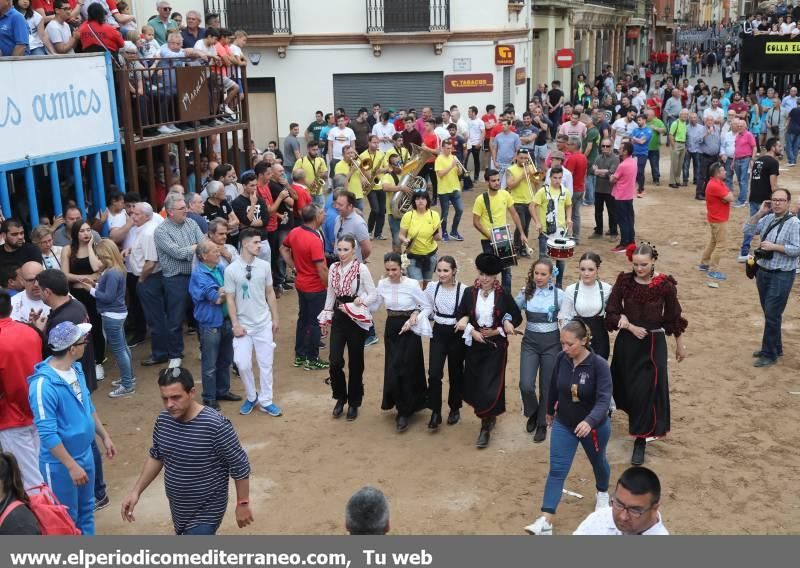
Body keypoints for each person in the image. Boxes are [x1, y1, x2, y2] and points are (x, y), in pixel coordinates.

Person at [120, 367, 253, 535]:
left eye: (176, 397)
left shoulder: (215, 425)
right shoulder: (163, 420)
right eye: (165, 398)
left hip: (207, 511)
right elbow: (157, 456)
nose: (170, 404)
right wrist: (136, 492)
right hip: (179, 510)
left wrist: (243, 503)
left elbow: (240, 466)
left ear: (192, 393)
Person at [524, 320, 612, 536]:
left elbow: (603, 400)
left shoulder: (599, 365)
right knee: (557, 470)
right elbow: (554, 386)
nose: (564, 349)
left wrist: (589, 421)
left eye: (569, 344)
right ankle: (546, 519)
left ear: (584, 341)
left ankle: (602, 493)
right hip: (564, 423)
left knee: (598, 462)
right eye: (562, 343)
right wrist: (549, 412)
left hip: (593, 428)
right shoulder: (561, 359)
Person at [28, 321, 116, 535]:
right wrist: (70, 465)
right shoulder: (42, 386)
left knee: (86, 512)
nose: (86, 343)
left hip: (84, 454)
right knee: (66, 520)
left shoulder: (76, 370)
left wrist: (104, 436)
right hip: (60, 465)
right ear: (72, 349)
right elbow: (47, 433)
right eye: (82, 341)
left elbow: (88, 406)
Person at [606, 244, 687, 465]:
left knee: (647, 390)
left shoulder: (665, 286)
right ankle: (614, 417)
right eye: (636, 264)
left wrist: (680, 344)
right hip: (627, 343)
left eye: (644, 264)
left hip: (653, 343)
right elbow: (611, 311)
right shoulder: (624, 282)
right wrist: (624, 322)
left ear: (653, 261)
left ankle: (640, 439)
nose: (639, 268)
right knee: (626, 385)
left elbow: (673, 317)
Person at [455, 253, 522, 448]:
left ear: (496, 277)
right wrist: (471, 330)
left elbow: (516, 317)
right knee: (476, 383)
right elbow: (461, 314)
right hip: (475, 345)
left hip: (495, 347)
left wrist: (500, 328)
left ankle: (485, 426)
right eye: (482, 273)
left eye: (489, 275)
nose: (484, 278)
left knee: (490, 384)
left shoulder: (503, 295)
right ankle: (489, 415)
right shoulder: (469, 293)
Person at [318, 235, 377, 421]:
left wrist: (362, 300)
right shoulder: (334, 268)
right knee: (334, 361)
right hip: (339, 316)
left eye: (345, 250)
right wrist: (326, 316)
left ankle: (354, 402)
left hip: (356, 317)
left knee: (355, 363)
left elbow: (373, 294)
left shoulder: (361, 269)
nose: (342, 253)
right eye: (339, 249)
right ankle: (340, 397)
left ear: (354, 250)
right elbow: (330, 293)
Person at [224, 229, 282, 417]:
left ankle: (266, 400)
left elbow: (270, 292)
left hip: (263, 322)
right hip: (243, 326)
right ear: (245, 244)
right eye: (256, 242)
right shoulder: (231, 269)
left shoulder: (264, 266)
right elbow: (230, 298)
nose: (260, 245)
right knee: (242, 364)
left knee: (266, 364)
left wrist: (275, 318)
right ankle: (251, 396)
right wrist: (235, 324)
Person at [743, 189, 800, 368]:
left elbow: (797, 249)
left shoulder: (794, 223)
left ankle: (769, 353)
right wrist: (760, 212)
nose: (777, 203)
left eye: (781, 200)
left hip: (782, 273)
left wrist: (775, 247)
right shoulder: (767, 218)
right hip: (763, 271)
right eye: (774, 200)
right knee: (771, 314)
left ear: (788, 203)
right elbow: (747, 229)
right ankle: (776, 347)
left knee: (772, 314)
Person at [374, 253, 430, 432]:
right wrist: (358, 303)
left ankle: (405, 411)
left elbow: (426, 306)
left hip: (409, 329)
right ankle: (400, 405)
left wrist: (415, 315)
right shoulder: (382, 284)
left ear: (401, 268)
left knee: (407, 367)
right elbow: (375, 305)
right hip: (392, 328)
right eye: (388, 270)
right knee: (393, 366)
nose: (391, 273)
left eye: (394, 269)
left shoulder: (412, 284)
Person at [0, 290, 44, 492]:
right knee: (41, 470)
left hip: (10, 418)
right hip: (38, 411)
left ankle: (46, 521)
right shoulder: (30, 331)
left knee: (30, 482)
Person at [154, 193, 205, 369]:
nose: (186, 210)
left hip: (196, 276)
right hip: (175, 280)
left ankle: (204, 348)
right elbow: (177, 253)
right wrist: (194, 248)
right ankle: (175, 354)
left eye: (185, 207)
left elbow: (203, 245)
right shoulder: (161, 231)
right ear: (170, 212)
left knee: (200, 314)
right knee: (175, 319)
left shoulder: (191, 223)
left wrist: (194, 248)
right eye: (182, 208)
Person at [189, 240, 241, 410]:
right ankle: (210, 397)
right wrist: (226, 290)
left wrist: (224, 290)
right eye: (214, 251)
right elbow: (216, 298)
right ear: (204, 256)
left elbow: (225, 291)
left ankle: (222, 391)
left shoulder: (219, 268)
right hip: (210, 323)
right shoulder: (199, 275)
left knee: (225, 359)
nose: (218, 253)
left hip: (225, 320)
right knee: (210, 364)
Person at [516, 258, 562, 443]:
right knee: (525, 384)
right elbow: (510, 311)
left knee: (547, 385)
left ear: (551, 276)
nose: (539, 277)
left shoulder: (560, 295)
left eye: (543, 274)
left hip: (553, 344)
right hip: (530, 343)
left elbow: (568, 317)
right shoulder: (526, 293)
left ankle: (542, 422)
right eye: (536, 273)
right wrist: (506, 321)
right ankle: (533, 412)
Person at [280, 204, 330, 371]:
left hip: (301, 284)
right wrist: (329, 286)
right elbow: (321, 268)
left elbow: (283, 248)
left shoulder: (295, 232)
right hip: (315, 287)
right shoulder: (314, 239)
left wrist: (295, 267)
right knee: (315, 322)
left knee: (303, 320)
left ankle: (300, 356)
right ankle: (312, 358)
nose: (324, 215)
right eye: (322, 213)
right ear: (316, 218)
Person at [420, 256, 466, 428]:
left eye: (446, 270)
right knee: (434, 373)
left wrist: (464, 320)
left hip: (456, 333)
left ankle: (454, 407)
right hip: (438, 331)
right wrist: (416, 317)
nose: (442, 273)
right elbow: (426, 306)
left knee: (456, 373)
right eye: (439, 270)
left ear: (454, 271)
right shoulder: (432, 288)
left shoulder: (463, 290)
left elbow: (469, 311)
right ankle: (435, 411)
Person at [60, 219, 105, 381]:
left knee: (96, 327)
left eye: (88, 230)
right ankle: (77, 362)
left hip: (93, 294)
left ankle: (98, 361)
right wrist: (84, 278)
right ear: (75, 234)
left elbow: (98, 271)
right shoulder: (67, 249)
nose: (86, 233)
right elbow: (64, 274)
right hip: (75, 295)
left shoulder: (96, 248)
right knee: (77, 329)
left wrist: (91, 248)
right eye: (82, 231)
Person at [90, 240, 135, 398]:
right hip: (117, 314)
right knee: (123, 347)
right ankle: (129, 378)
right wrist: (95, 286)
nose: (98, 259)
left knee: (119, 350)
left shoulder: (112, 272)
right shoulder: (116, 269)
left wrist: (90, 290)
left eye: (99, 256)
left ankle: (127, 384)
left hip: (112, 315)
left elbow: (107, 297)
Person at [472, 169, 528, 294]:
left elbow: (514, 214)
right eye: (493, 181)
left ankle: (505, 297)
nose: (497, 183)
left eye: (498, 180)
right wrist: (491, 237)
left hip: (503, 237)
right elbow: (476, 222)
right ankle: (489, 295)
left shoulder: (505, 195)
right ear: (487, 182)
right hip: (488, 240)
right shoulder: (481, 199)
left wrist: (522, 233)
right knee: (489, 271)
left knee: (507, 271)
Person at [574, 466, 668, 535]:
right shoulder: (599, 519)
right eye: (619, 504)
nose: (623, 517)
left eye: (634, 510)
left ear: (654, 508)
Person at [560, 252, 613, 359]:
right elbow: (564, 317)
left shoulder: (606, 289)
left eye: (590, 269)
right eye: (583, 269)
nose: (586, 273)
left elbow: (614, 311)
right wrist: (568, 340)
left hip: (600, 338)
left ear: (597, 269)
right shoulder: (571, 289)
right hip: (577, 338)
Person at [739, 139, 782, 261]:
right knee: (770, 226)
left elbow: (753, 180)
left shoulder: (758, 161)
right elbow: (773, 186)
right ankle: (765, 252)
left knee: (752, 224)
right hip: (766, 201)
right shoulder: (773, 162)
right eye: (778, 146)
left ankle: (744, 252)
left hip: (754, 197)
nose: (780, 148)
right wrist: (781, 196)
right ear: (773, 148)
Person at [532, 168, 573, 288]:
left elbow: (569, 205)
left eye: (560, 178)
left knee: (561, 259)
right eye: (555, 178)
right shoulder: (542, 191)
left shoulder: (565, 191)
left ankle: (558, 284)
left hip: (561, 231)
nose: (557, 180)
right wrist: (537, 222)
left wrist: (568, 218)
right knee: (544, 259)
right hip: (545, 232)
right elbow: (532, 206)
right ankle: (543, 284)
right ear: (550, 177)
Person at [698, 163, 734, 281]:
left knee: (713, 242)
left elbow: (728, 196)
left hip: (715, 218)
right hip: (719, 220)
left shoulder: (716, 183)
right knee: (721, 245)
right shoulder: (715, 185)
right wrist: (726, 198)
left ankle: (704, 263)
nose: (725, 172)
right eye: (723, 170)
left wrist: (726, 197)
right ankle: (713, 270)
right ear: (718, 173)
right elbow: (731, 197)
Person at [399, 191, 441, 289]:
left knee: (427, 283)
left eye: (423, 198)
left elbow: (439, 235)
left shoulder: (434, 215)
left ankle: (423, 304)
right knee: (417, 285)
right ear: (414, 201)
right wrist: (404, 240)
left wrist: (438, 237)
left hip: (430, 255)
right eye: (417, 199)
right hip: (412, 256)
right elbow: (401, 235)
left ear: (427, 201)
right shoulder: (408, 215)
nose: (420, 201)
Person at [505, 150, 536, 255]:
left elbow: (537, 183)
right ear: (516, 157)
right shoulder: (510, 169)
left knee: (526, 226)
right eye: (521, 158)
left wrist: (532, 175)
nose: (523, 160)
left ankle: (523, 247)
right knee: (520, 225)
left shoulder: (531, 168)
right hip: (517, 201)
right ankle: (516, 247)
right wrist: (523, 176)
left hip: (529, 201)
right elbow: (510, 185)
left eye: (525, 158)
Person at [434, 139, 465, 242]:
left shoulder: (453, 157)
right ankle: (444, 232)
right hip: (444, 191)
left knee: (460, 210)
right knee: (445, 213)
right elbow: (440, 174)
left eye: (450, 148)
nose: (450, 150)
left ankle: (454, 231)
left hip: (455, 188)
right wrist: (451, 166)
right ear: (442, 148)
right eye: (447, 148)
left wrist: (459, 168)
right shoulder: (439, 159)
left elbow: (459, 173)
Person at [610, 142, 637, 252]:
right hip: (629, 195)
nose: (619, 150)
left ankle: (624, 243)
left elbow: (613, 179)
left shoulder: (622, 165)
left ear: (625, 151)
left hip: (620, 195)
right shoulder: (633, 162)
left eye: (621, 148)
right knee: (629, 219)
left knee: (622, 221)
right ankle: (631, 241)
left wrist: (611, 176)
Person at [590, 139, 618, 239]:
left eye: (608, 146)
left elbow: (611, 173)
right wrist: (603, 172)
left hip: (610, 190)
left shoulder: (615, 158)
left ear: (612, 146)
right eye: (603, 146)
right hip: (598, 189)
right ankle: (598, 231)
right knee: (598, 211)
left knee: (612, 212)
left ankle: (613, 232)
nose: (605, 148)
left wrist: (598, 171)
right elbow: (592, 171)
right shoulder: (598, 157)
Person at [668, 109, 689, 188]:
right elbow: (670, 135)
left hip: (683, 144)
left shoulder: (685, 123)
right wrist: (674, 146)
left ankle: (677, 180)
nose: (685, 116)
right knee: (674, 164)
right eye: (683, 114)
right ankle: (672, 181)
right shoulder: (675, 123)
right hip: (676, 143)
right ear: (680, 115)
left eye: (686, 115)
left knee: (680, 164)